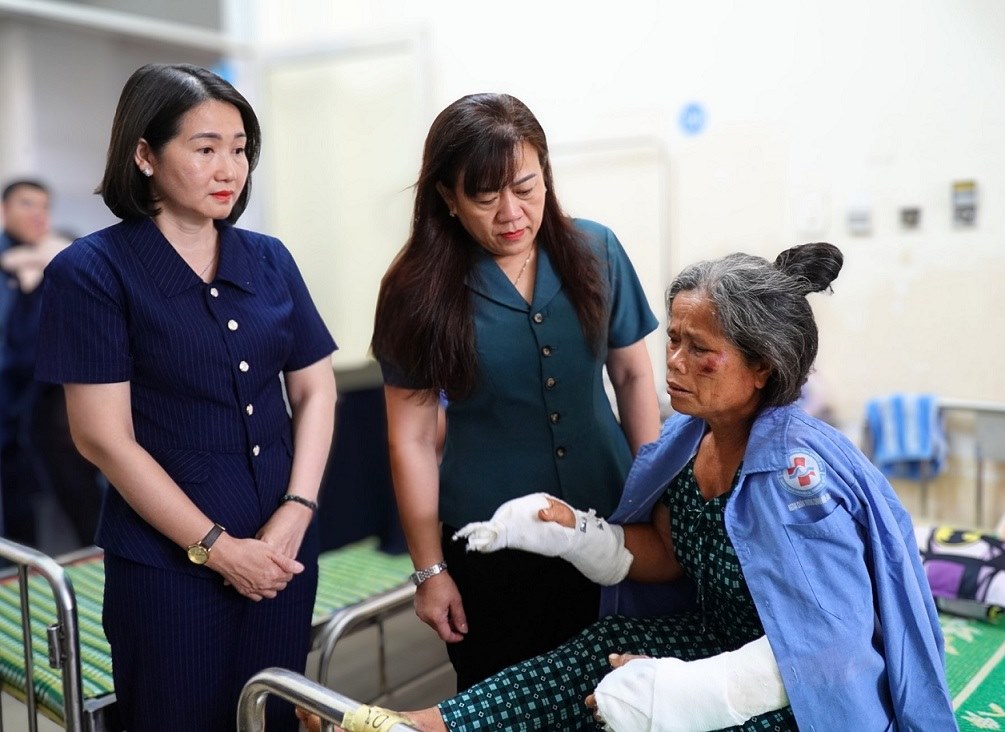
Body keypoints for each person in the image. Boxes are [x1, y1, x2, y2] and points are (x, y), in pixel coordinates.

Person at [331, 242, 954, 731]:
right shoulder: (692, 440)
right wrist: (575, 533)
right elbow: (667, 553)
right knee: (596, 651)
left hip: (799, 692)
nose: (674, 363)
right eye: (673, 340)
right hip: (714, 639)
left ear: (763, 366)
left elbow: (828, 650)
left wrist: (690, 693)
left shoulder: (795, 482)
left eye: (699, 349)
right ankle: (421, 724)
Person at [34, 63, 338, 731]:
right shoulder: (92, 271)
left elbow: (315, 387)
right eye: (204, 148)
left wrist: (297, 510)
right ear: (144, 154)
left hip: (283, 554)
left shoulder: (269, 259)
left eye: (238, 148)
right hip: (169, 571)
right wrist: (217, 549)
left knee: (277, 713)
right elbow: (101, 437)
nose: (228, 167)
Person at [370, 92, 662, 690]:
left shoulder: (595, 250)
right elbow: (414, 438)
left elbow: (633, 378)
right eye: (484, 195)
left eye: (526, 187)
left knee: (616, 701)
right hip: (489, 546)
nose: (511, 212)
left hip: (608, 524)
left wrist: (657, 502)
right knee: (500, 702)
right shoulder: (415, 290)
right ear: (447, 198)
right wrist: (429, 570)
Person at [1, 180, 105, 549]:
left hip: (50, 391)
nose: (37, 215)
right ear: (4, 210)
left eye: (43, 206)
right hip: (16, 394)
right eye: (27, 205)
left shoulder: (55, 251)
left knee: (73, 488)